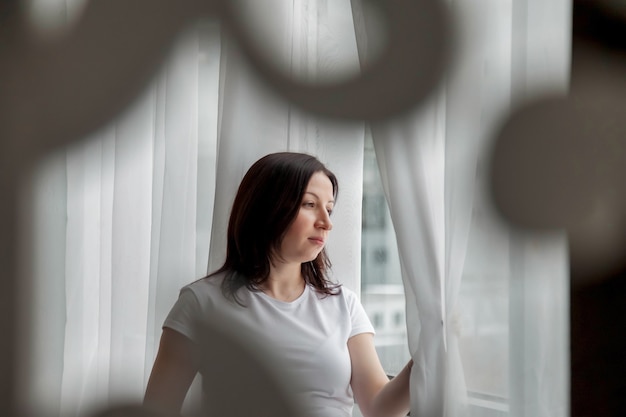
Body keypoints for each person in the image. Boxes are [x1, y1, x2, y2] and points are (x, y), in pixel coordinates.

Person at [144, 152, 413, 417]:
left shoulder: (345, 305)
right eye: (310, 204)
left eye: (329, 209)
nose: (327, 222)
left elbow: (380, 409)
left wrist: (430, 351)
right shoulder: (201, 303)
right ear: (267, 207)